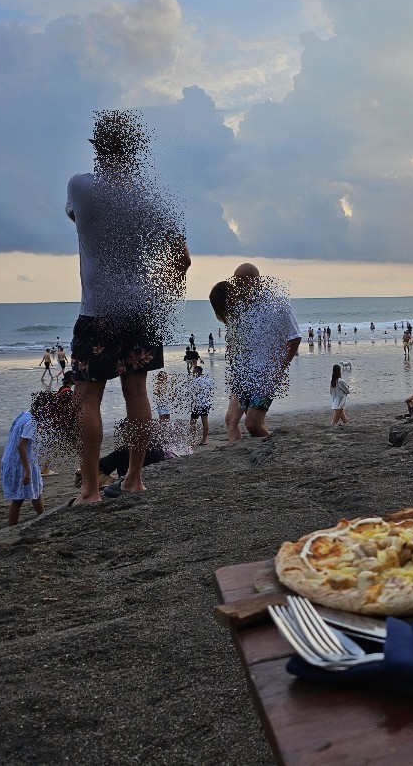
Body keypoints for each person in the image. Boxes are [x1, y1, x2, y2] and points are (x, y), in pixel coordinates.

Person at [66, 110, 192, 504]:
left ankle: (90, 489)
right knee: (137, 392)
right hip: (140, 309)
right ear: (135, 150)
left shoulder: (82, 186)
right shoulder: (149, 198)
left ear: (97, 148)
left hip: (98, 309)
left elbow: (73, 215)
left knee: (89, 398)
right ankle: (135, 478)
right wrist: (161, 293)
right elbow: (182, 259)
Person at [211, 263, 301, 443]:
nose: (239, 286)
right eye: (236, 282)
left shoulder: (277, 304)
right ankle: (236, 458)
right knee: (231, 419)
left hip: (266, 374)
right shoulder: (239, 306)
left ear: (257, 281)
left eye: (244, 281)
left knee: (252, 424)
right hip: (243, 373)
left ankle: (274, 447)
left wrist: (279, 369)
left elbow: (295, 337)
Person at [0, 398, 46, 525]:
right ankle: (13, 527)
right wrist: (27, 470)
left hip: (12, 460)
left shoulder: (24, 415)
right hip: (20, 463)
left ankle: (43, 518)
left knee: (34, 494)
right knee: (20, 499)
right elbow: (21, 446)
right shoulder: (32, 422)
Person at [189, 365, 212, 445]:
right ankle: (204, 440)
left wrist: (191, 402)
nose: (192, 373)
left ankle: (192, 440)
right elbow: (209, 391)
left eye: (193, 372)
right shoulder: (207, 380)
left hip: (198, 404)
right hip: (206, 403)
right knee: (205, 421)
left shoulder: (195, 381)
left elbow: (193, 393)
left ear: (197, 372)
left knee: (193, 421)